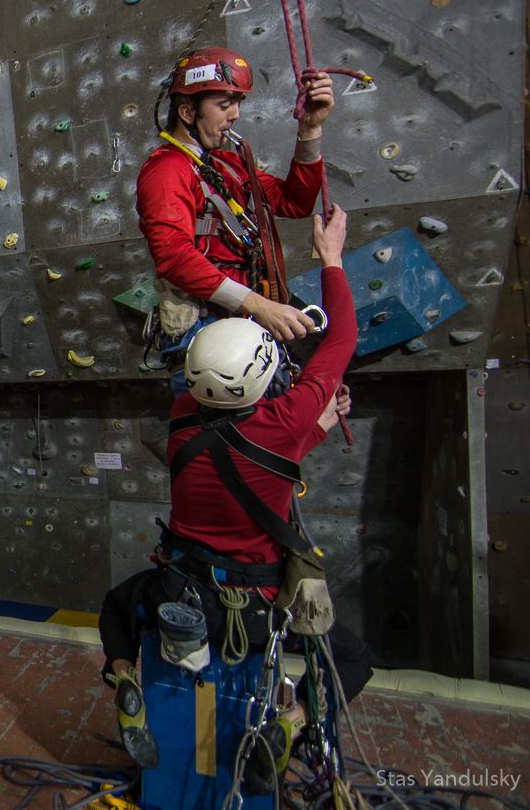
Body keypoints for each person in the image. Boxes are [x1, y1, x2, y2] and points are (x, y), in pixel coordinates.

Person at [98, 206, 372, 792]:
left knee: (117, 606)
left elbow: (243, 449)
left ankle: (125, 676)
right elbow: (341, 338)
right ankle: (292, 725)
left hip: (180, 591)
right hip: (255, 605)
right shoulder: (282, 421)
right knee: (352, 658)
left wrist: (311, 426)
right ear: (262, 380)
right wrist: (330, 257)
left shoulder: (181, 421)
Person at [136, 46, 335, 385]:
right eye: (224, 105)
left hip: (243, 323)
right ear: (187, 111)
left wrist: (310, 129)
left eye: (238, 103)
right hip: (209, 331)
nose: (236, 115)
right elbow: (173, 255)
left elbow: (294, 202)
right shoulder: (167, 169)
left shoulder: (227, 166)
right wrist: (259, 306)